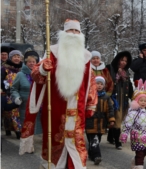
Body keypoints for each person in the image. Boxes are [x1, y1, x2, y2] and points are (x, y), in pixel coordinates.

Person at [19, 19, 98, 169]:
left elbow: (91, 82)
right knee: (55, 142)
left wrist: (91, 103)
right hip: (54, 108)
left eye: (76, 31)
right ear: (64, 33)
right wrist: (43, 69)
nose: (74, 34)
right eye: (70, 31)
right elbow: (36, 76)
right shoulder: (52, 52)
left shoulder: (86, 57)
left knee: (77, 145)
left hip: (77, 109)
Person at [120, 79, 146, 169]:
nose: (143, 102)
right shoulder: (133, 113)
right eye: (141, 100)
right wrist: (124, 134)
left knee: (144, 152)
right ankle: (139, 166)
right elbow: (127, 124)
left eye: (144, 101)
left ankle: (135, 161)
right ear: (136, 101)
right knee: (140, 153)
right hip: (137, 135)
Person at [10, 50, 42, 135]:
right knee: (26, 129)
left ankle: (33, 145)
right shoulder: (20, 75)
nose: (31, 63)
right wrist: (16, 97)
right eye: (29, 62)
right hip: (25, 105)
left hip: (38, 106)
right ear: (26, 63)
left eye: (33, 62)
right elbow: (14, 89)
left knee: (36, 129)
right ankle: (26, 146)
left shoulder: (40, 75)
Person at [106, 50, 133, 150]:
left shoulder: (126, 73)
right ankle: (118, 142)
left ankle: (110, 137)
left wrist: (133, 96)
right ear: (118, 60)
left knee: (119, 119)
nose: (123, 63)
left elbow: (129, 86)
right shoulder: (110, 69)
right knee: (117, 121)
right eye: (122, 60)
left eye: (126, 61)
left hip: (123, 100)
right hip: (114, 100)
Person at [85, 76, 115, 165]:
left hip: (101, 123)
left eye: (101, 84)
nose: (99, 85)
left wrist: (111, 119)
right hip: (90, 122)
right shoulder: (90, 96)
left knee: (96, 140)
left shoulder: (106, 97)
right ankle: (97, 156)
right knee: (94, 140)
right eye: (97, 83)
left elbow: (110, 109)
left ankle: (91, 154)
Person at [1, 50, 23, 138]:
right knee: (10, 112)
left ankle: (18, 130)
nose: (17, 58)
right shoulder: (5, 68)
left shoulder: (22, 68)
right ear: (11, 58)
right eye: (15, 56)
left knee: (17, 112)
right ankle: (10, 129)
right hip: (8, 93)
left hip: (20, 92)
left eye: (18, 56)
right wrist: (4, 85)